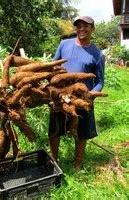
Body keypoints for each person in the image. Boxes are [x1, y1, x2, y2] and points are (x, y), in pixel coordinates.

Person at [49, 16, 105, 171]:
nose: (82, 29)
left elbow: (100, 81)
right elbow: (54, 66)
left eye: (86, 26)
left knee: (82, 132)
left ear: (92, 28)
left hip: (82, 97)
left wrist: (91, 94)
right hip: (61, 95)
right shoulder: (64, 45)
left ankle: (77, 164)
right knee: (55, 129)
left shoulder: (97, 54)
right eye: (79, 26)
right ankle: (53, 160)